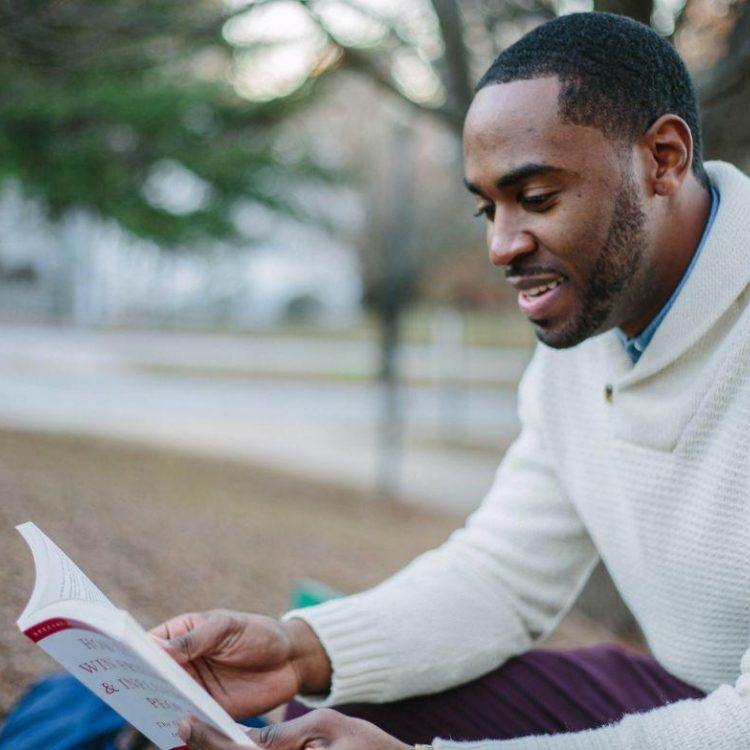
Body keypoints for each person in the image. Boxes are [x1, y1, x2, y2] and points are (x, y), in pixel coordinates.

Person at [153, 12, 750, 750]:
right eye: (486, 206)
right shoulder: (585, 346)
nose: (501, 246)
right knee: (352, 717)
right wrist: (299, 647)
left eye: (535, 198)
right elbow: (502, 574)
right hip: (692, 689)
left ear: (662, 158)